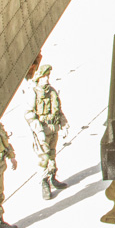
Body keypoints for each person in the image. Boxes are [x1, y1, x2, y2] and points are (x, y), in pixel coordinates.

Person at [27, 64, 68, 200]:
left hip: (53, 128)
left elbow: (58, 109)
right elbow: (29, 114)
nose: (47, 78)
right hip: (42, 130)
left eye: (48, 76)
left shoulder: (51, 91)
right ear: (39, 77)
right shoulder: (34, 93)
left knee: (52, 154)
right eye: (45, 76)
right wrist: (38, 130)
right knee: (43, 157)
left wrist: (64, 123)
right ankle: (44, 182)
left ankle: (52, 177)